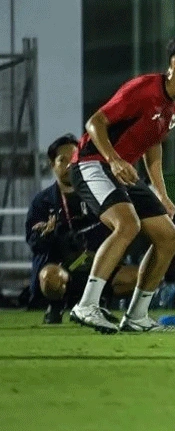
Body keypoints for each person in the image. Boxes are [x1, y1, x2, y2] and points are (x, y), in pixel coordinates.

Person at [67, 31, 175, 333]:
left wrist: (161, 192)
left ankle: (136, 316)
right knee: (128, 225)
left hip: (124, 171)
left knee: (169, 237)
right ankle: (86, 305)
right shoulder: (144, 89)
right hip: (92, 162)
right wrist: (115, 159)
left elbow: (153, 144)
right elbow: (95, 122)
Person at [26, 134, 136, 323]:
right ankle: (56, 306)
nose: (69, 165)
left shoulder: (99, 192)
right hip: (62, 268)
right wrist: (48, 235)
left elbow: (118, 230)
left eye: (74, 158)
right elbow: (34, 243)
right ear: (52, 164)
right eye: (62, 160)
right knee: (49, 277)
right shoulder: (42, 202)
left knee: (136, 276)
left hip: (98, 263)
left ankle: (100, 303)